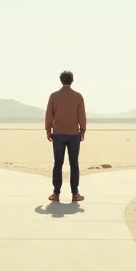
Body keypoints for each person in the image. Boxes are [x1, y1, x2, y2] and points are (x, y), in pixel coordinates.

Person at [44, 70, 86, 202]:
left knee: (58, 164)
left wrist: (48, 130)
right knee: (74, 164)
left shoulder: (54, 96)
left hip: (58, 134)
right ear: (72, 80)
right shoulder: (78, 96)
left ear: (61, 80)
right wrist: (83, 130)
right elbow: (82, 115)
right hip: (74, 134)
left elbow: (49, 115)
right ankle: (75, 193)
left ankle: (56, 193)